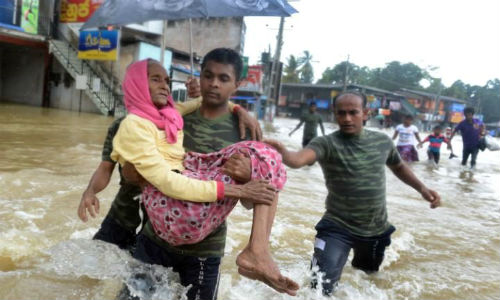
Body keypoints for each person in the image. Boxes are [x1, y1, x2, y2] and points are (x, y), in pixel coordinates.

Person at [113, 53, 298, 298]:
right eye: (208, 76)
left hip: (205, 248)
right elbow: (130, 178)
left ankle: (258, 251)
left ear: (237, 84)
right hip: (154, 239)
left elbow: (250, 201)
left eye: (224, 78)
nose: (214, 84)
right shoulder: (170, 115)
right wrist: (132, 170)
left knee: (267, 158)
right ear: (198, 78)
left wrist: (246, 177)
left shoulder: (245, 129)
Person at [265, 91, 441, 296]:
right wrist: (283, 153)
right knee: (319, 288)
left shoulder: (382, 142)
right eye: (341, 113)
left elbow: (399, 167)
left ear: (365, 113)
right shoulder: (326, 143)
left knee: (365, 280)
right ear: (334, 114)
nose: (347, 118)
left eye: (353, 112)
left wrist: (423, 189)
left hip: (375, 229)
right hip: (336, 227)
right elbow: (298, 160)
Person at [77, 75, 259, 252]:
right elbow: (105, 168)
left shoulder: (178, 124)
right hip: (123, 216)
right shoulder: (122, 126)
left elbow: (207, 106)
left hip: (161, 226)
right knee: (94, 270)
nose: (164, 86)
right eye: (155, 81)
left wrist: (237, 109)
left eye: (166, 82)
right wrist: (90, 191)